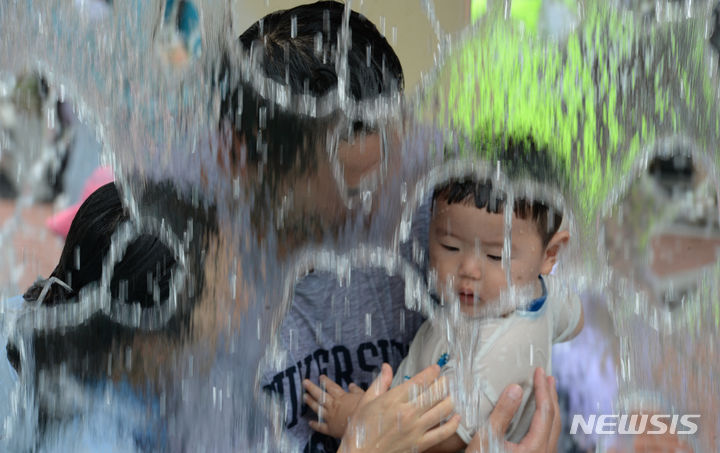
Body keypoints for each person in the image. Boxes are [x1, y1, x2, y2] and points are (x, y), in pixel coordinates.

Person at [230, 3, 564, 452]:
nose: (389, 205)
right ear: (250, 167)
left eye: (393, 164)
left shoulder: (438, 186)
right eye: (353, 195)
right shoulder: (200, 296)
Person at [303, 138, 583, 451]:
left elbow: (440, 434)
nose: (469, 270)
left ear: (550, 253)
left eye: (495, 257)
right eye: (450, 246)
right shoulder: (540, 291)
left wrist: (358, 421)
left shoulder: (502, 354)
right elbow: (574, 318)